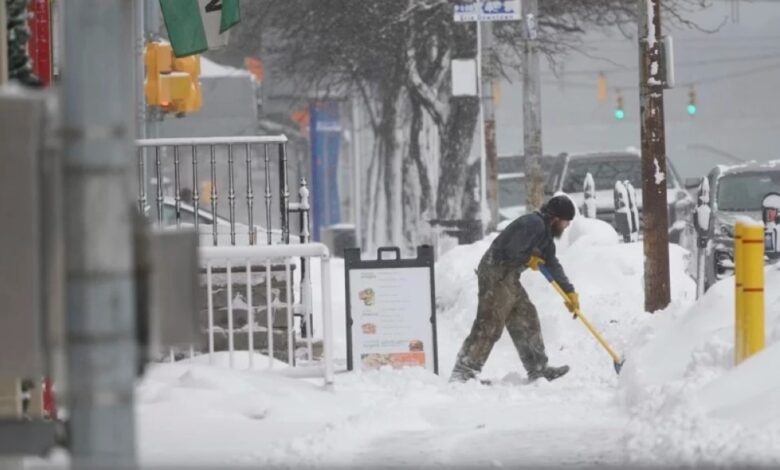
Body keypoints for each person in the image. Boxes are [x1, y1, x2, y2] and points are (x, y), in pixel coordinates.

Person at [450, 195, 579, 383]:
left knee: (526, 317)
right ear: (556, 218)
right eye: (567, 222)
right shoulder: (533, 224)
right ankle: (463, 372)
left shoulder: (545, 235)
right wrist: (529, 259)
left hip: (509, 276)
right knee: (490, 323)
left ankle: (538, 369)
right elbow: (512, 250)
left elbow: (551, 263)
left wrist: (569, 292)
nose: (567, 227)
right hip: (495, 271)